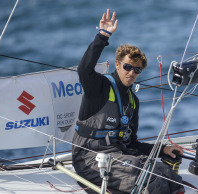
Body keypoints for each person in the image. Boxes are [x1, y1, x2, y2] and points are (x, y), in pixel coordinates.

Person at [72, 9, 185, 194]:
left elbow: (132, 144)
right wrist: (103, 36)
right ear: (117, 65)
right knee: (150, 177)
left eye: (137, 70)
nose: (131, 73)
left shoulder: (133, 102)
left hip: (119, 156)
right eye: (127, 67)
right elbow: (84, 70)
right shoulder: (99, 87)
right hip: (89, 158)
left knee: (168, 175)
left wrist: (162, 149)